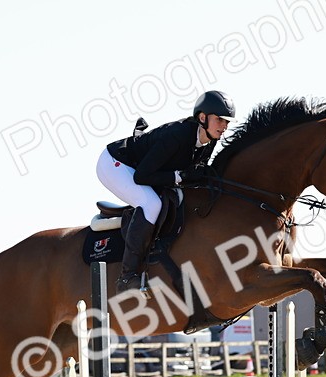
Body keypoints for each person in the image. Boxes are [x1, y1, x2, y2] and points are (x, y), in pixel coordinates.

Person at [97, 90, 235, 294]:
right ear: (202, 117)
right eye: (220, 120)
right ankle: (127, 277)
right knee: (151, 204)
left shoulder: (209, 141)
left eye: (227, 122)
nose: (224, 126)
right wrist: (179, 176)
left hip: (142, 168)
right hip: (115, 164)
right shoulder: (177, 136)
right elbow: (141, 177)